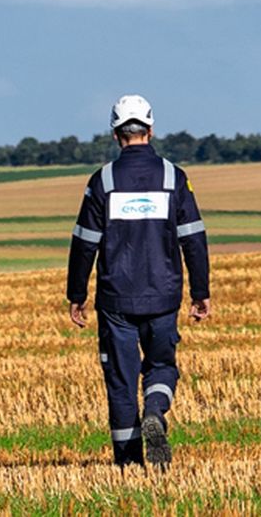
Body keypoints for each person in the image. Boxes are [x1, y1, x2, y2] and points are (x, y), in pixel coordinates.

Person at [66, 94, 211, 470]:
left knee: (120, 379)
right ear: (151, 130)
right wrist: (200, 292)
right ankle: (156, 411)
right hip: (163, 295)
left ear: (116, 135)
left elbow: (85, 243)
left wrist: (76, 293)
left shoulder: (103, 180)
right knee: (162, 366)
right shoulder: (174, 177)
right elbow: (193, 238)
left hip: (116, 299)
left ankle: (129, 465)